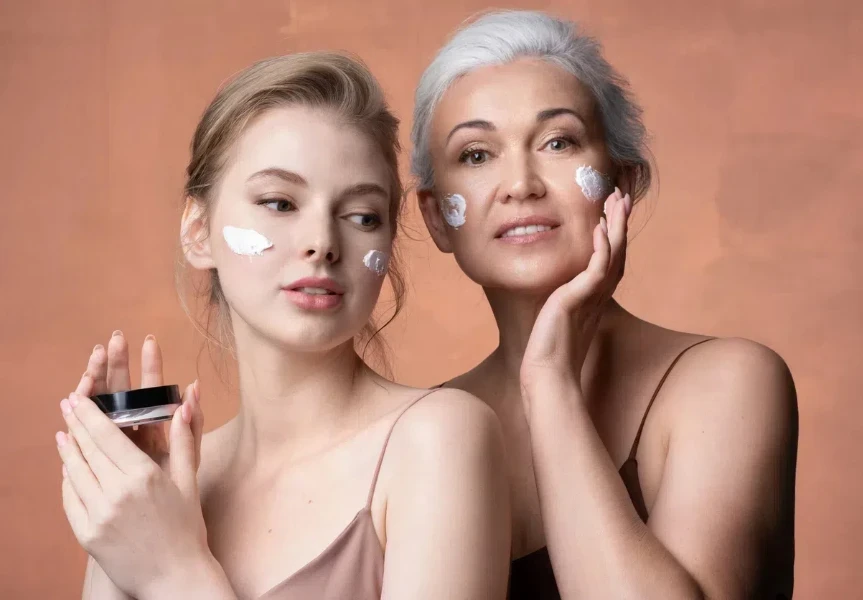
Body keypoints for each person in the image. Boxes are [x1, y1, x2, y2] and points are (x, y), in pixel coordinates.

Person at [56, 51, 510, 600]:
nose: (322, 240)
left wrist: (172, 574)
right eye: (279, 202)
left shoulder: (437, 439)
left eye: (362, 215)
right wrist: (123, 502)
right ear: (198, 232)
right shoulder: (168, 482)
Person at [412, 10, 798, 599]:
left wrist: (549, 381)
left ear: (624, 181)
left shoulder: (728, 382)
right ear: (438, 217)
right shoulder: (421, 429)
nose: (521, 183)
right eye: (476, 155)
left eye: (558, 141)